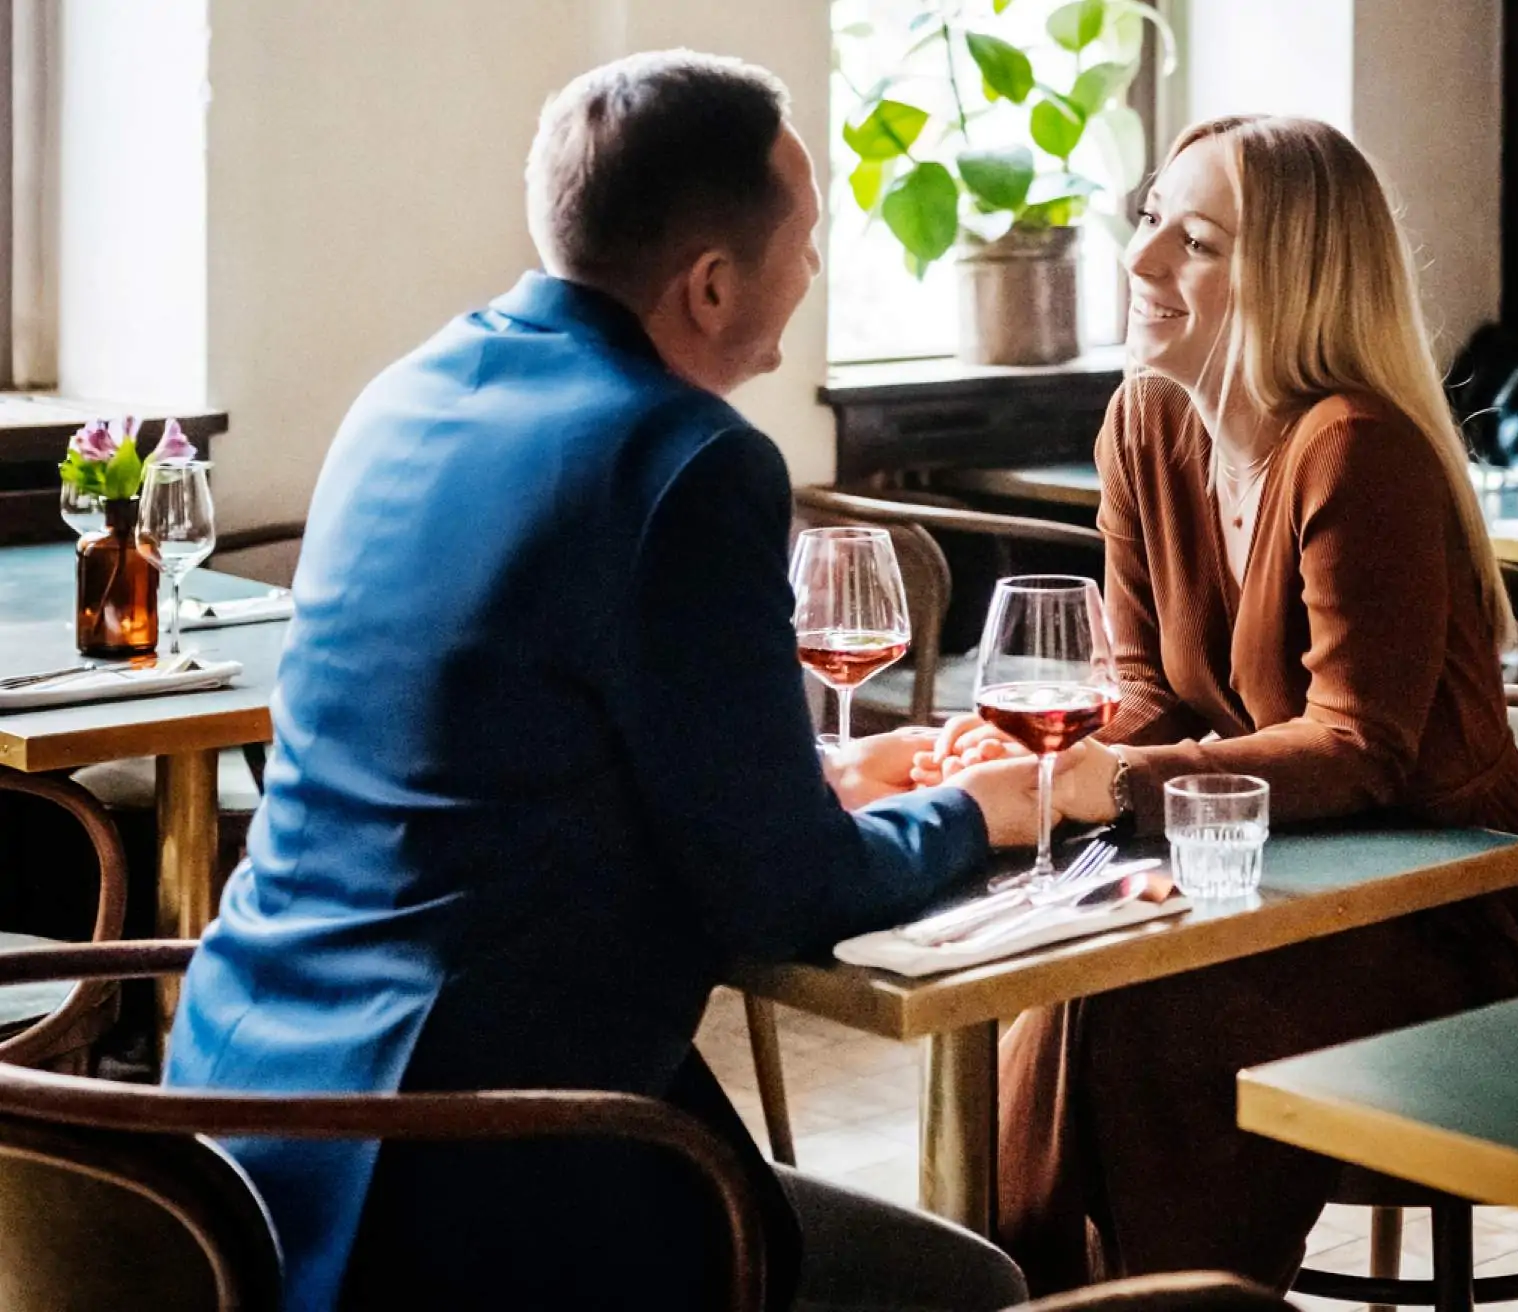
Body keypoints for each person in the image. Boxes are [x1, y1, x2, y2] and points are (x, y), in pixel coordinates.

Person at [164, 50, 1040, 1312]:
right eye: (808, 240)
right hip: (475, 1175)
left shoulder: (402, 393)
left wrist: (827, 776)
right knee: (963, 1285)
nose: (815, 269)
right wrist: (982, 810)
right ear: (712, 282)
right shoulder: (687, 459)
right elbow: (785, 897)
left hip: (237, 1130)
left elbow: (502, 756)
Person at [915, 116, 1518, 1293]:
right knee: (1044, 988)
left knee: (1148, 1013)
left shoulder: (1356, 447)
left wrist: (1111, 784)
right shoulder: (1144, 422)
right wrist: (1048, 757)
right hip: (1266, 885)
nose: (1140, 264)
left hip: (1452, 921)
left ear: (1298, 274)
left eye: (1200, 242)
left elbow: (1361, 747)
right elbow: (1140, 692)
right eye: (1149, 223)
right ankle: (1031, 1295)